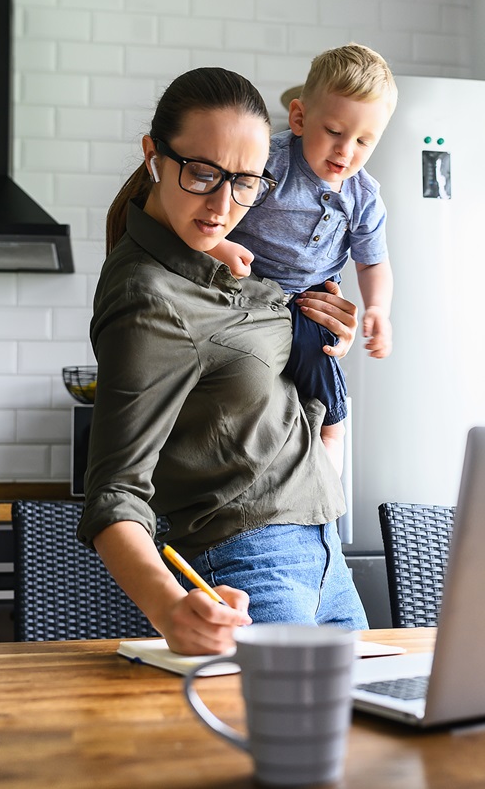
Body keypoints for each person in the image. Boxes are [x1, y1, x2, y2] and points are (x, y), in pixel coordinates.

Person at [78, 66, 370, 656]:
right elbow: (114, 490)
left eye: (246, 182)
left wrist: (322, 332)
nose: (222, 204)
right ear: (154, 156)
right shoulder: (149, 298)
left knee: (357, 746)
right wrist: (167, 607)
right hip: (249, 567)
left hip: (327, 558)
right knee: (270, 747)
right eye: (203, 173)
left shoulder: (231, 261)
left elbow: (256, 383)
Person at [208, 44, 397, 472]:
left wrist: (378, 311)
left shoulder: (364, 196)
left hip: (310, 298)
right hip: (244, 284)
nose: (346, 151)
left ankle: (331, 445)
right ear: (299, 117)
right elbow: (214, 218)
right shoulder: (268, 162)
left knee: (322, 361)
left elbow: (372, 262)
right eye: (334, 131)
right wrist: (222, 248)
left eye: (364, 141)